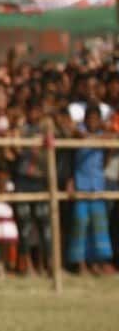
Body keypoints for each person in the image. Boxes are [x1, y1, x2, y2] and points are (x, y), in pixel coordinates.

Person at [67, 106, 114, 274]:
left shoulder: (103, 135)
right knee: (80, 223)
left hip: (97, 183)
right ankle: (80, 262)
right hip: (81, 182)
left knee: (99, 224)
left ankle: (97, 261)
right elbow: (78, 136)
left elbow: (109, 149)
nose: (93, 122)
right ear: (85, 119)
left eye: (96, 119)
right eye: (90, 118)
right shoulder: (80, 131)